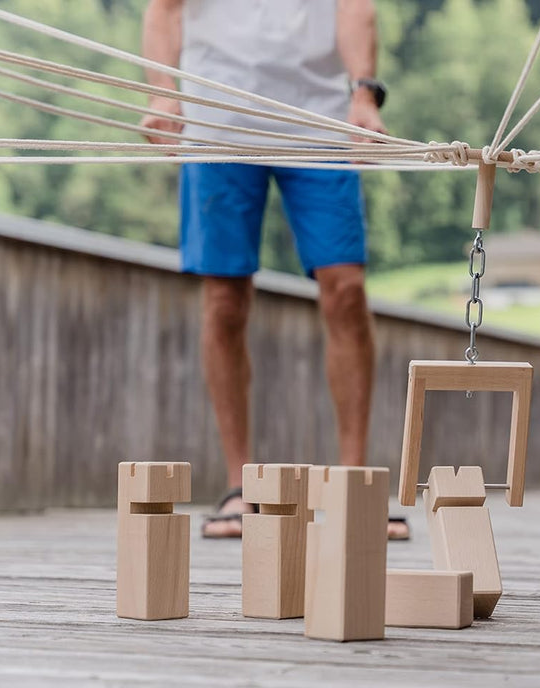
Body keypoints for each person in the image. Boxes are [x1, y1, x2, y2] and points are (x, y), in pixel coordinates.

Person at [140, 0, 409, 540]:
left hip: (316, 117)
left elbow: (357, 8)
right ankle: (240, 488)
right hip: (217, 118)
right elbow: (164, 9)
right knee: (224, 299)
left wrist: (363, 95)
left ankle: (356, 485)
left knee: (347, 290)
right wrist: (162, 93)